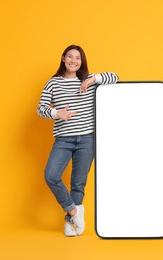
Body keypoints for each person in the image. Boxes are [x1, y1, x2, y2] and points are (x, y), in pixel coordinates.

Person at [37, 45, 118, 236]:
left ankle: (70, 224)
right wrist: (57, 113)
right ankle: (74, 211)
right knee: (51, 175)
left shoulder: (89, 80)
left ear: (82, 62)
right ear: (63, 59)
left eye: (78, 58)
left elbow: (115, 77)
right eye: (70, 57)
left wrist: (93, 80)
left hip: (87, 140)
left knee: (78, 183)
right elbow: (41, 108)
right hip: (63, 139)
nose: (74, 61)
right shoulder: (53, 83)